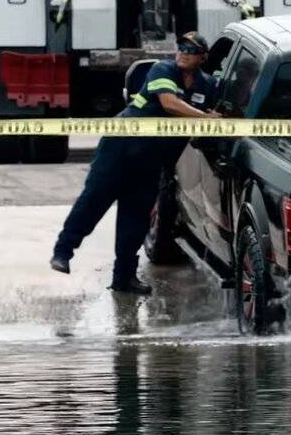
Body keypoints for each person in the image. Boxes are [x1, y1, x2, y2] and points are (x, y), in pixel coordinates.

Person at [50, 32, 221, 294]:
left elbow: (222, 111)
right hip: (121, 147)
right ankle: (63, 252)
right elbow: (170, 103)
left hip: (152, 159)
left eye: (191, 49)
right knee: (94, 201)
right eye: (181, 47)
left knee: (136, 218)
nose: (184, 52)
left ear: (203, 57)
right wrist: (205, 118)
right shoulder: (162, 69)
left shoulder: (207, 86)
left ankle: (124, 278)